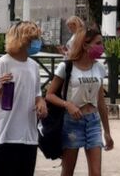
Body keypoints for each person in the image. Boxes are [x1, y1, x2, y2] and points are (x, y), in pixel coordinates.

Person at [45, 27, 114, 176]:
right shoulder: (67, 66)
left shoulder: (99, 68)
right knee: (68, 170)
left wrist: (107, 132)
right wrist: (67, 104)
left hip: (93, 123)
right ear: (85, 45)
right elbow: (49, 95)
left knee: (96, 173)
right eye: (98, 43)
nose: (101, 47)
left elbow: (100, 101)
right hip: (72, 123)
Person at [0, 21, 48, 176]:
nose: (37, 43)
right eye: (33, 39)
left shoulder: (33, 66)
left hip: (28, 136)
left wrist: (41, 103)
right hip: (6, 134)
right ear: (22, 41)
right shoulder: (3, 62)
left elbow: (37, 94)